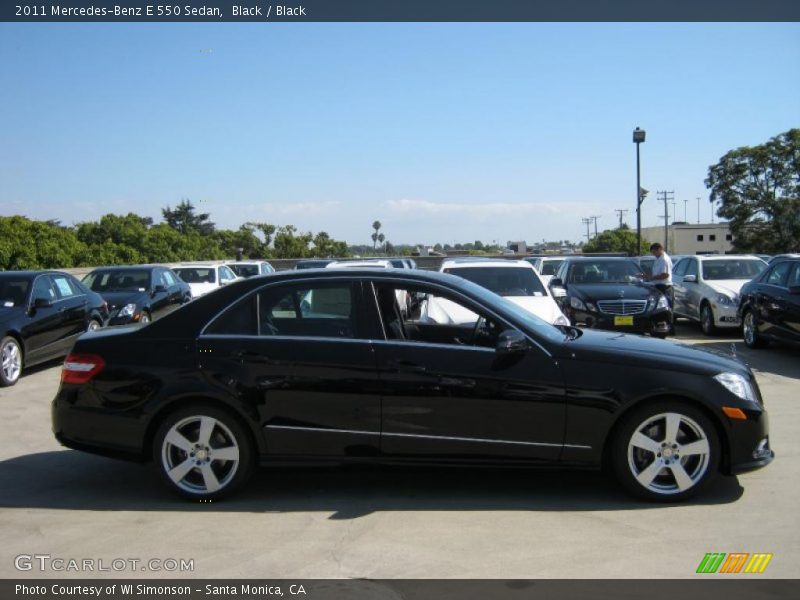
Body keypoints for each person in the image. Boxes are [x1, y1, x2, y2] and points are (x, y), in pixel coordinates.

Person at [648, 242, 674, 333]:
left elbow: (665, 275)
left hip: (664, 287)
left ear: (659, 249)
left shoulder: (664, 259)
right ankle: (664, 326)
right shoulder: (658, 259)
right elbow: (657, 273)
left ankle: (670, 328)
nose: (653, 254)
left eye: (654, 252)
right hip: (658, 285)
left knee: (666, 308)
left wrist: (652, 277)